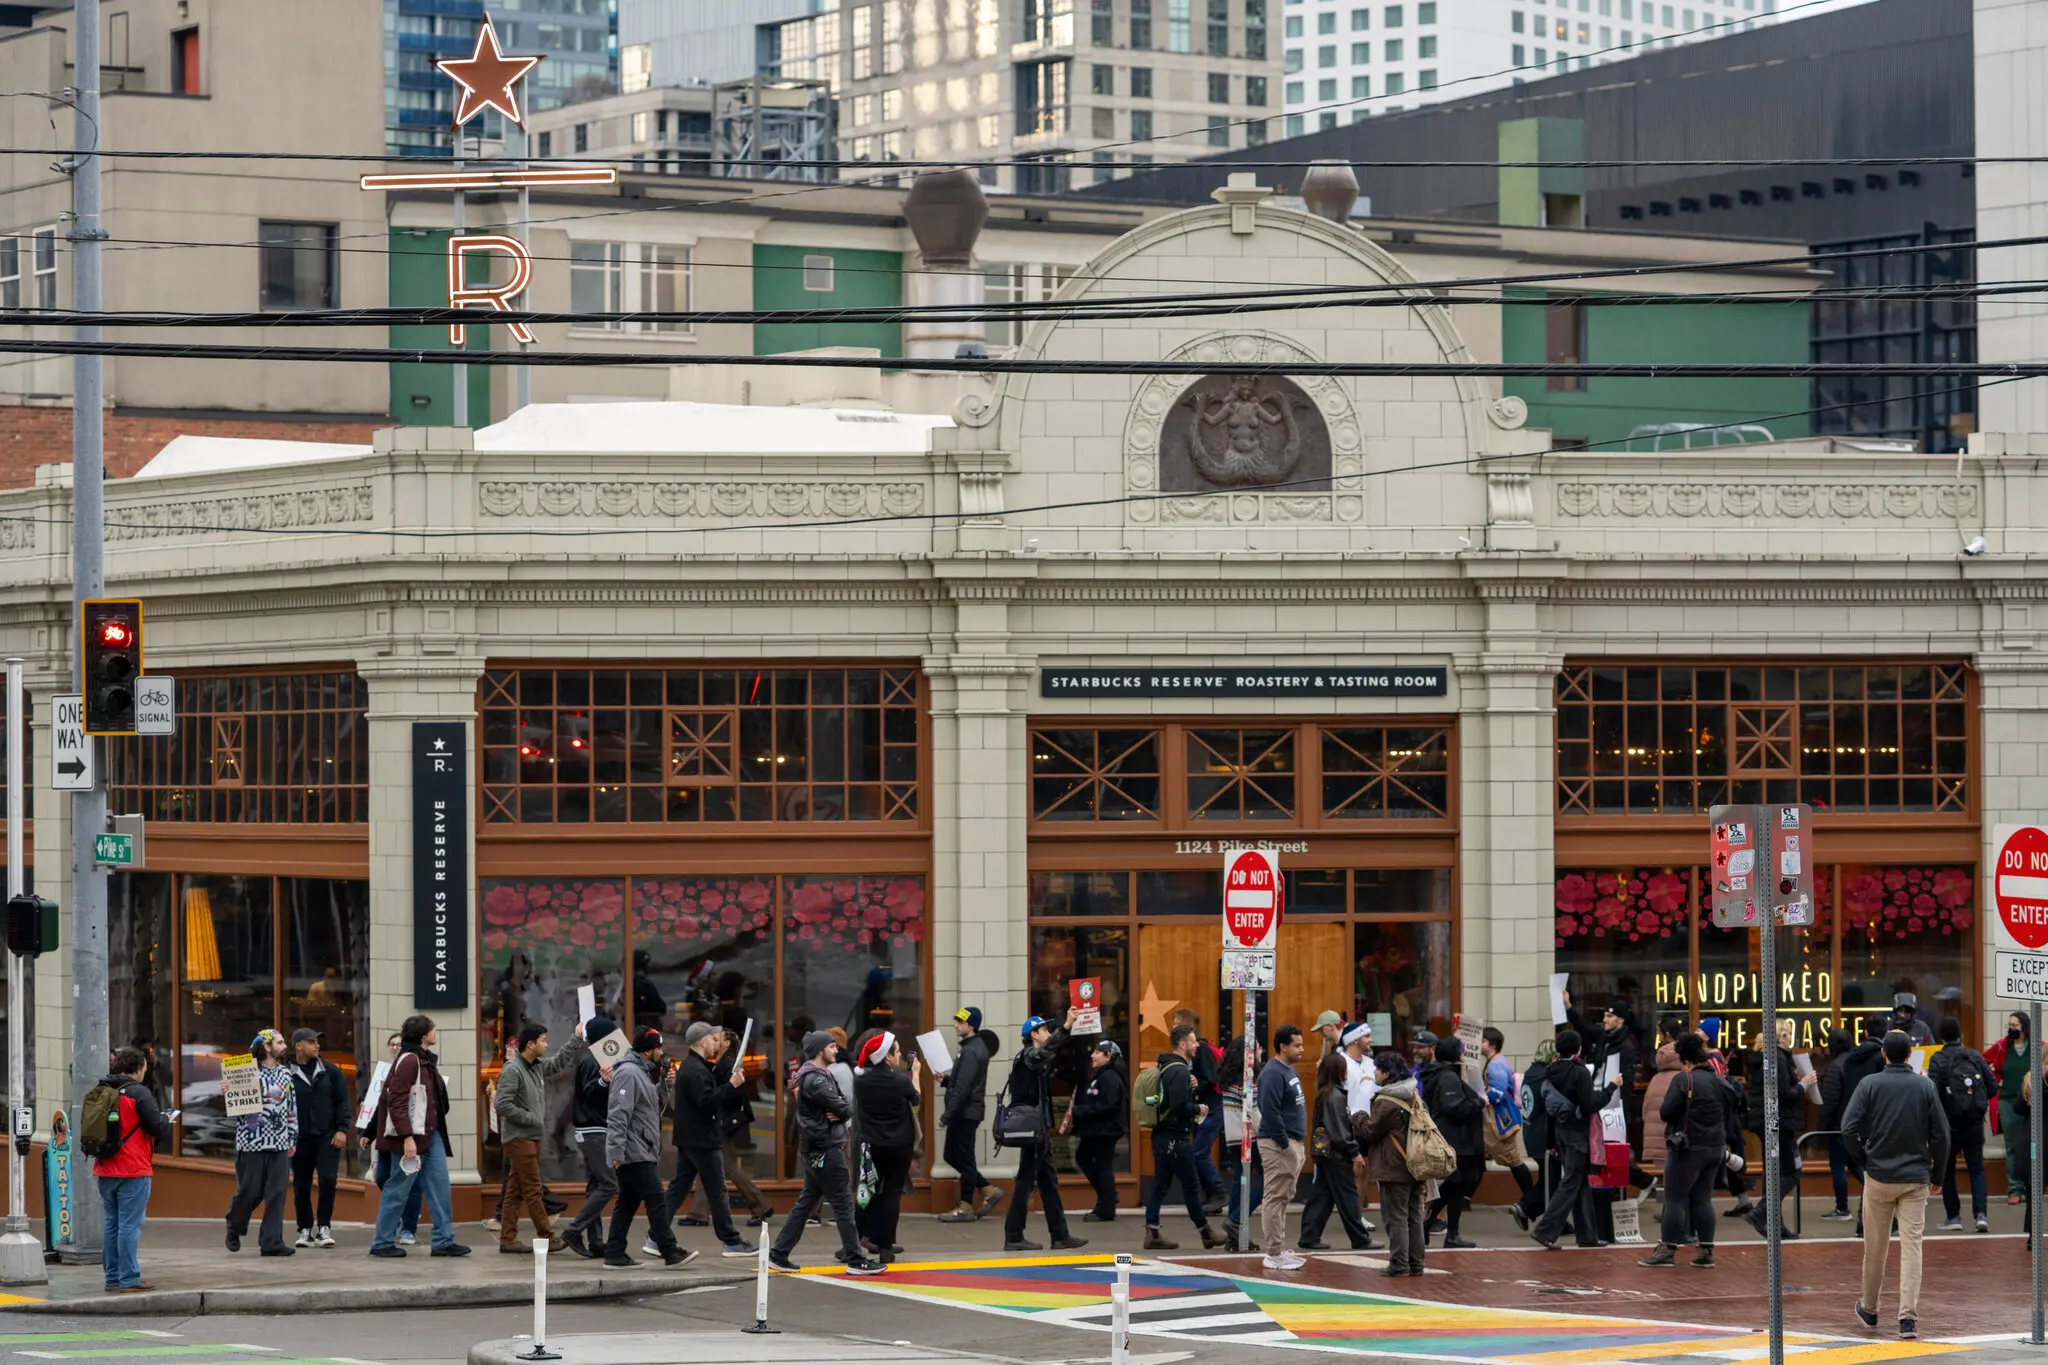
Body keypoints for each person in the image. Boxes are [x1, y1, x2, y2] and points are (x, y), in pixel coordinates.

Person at [1843, 1031, 1950, 1342]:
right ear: (1909, 1055)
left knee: (1875, 1247)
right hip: (1916, 1177)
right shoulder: (1925, 1086)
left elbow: (1849, 1128)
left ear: (1884, 1055)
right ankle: (1907, 1318)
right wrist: (1938, 1175)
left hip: (1878, 1175)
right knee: (1912, 1245)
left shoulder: (1869, 1085)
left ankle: (1870, 1308)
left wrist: (1864, 1159)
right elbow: (1941, 1134)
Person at [769, 1031, 884, 1274]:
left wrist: (840, 1109)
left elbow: (841, 1104)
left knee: (807, 1201)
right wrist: (840, 1111)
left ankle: (778, 1253)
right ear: (820, 1050)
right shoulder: (817, 1080)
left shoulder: (815, 1075)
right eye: (831, 1047)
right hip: (825, 1148)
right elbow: (845, 1107)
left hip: (816, 1148)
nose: (836, 1050)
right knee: (843, 1202)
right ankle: (855, 1259)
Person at [369, 1014, 470, 1260]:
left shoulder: (421, 1059)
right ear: (424, 1035)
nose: (435, 1033)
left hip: (429, 1135)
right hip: (412, 1139)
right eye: (433, 1029)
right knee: (398, 1188)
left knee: (439, 1187)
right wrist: (407, 1137)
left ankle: (444, 1241)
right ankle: (382, 1242)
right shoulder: (410, 1060)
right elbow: (396, 1101)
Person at [601, 1026, 695, 1269]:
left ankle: (614, 1253)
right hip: (634, 1151)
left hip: (640, 1148)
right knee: (657, 1200)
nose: (661, 1052)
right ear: (648, 1050)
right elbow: (618, 1115)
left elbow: (655, 1105)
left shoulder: (641, 1073)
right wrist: (616, 1153)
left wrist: (665, 1082)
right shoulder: (629, 1074)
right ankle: (670, 1251)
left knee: (628, 1203)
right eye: (659, 1047)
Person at [664, 1021, 756, 1258]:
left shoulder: (695, 1066)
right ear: (703, 1041)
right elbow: (706, 1102)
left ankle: (656, 1235)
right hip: (702, 1139)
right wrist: (731, 1085)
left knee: (678, 1188)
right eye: (714, 1040)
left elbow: (708, 1096)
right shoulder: (694, 1069)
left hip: (691, 1137)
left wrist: (730, 1085)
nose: (717, 1044)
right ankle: (731, 1241)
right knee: (717, 1191)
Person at [493, 1020, 586, 1254]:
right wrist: (531, 1118)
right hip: (519, 1137)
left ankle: (508, 1239)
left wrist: (575, 1038)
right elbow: (502, 1104)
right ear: (531, 1044)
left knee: (514, 1190)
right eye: (543, 1041)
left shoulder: (535, 1066)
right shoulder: (513, 1069)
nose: (546, 1044)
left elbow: (556, 1063)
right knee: (533, 1189)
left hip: (531, 1136)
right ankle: (547, 1235)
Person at [1639, 1031, 1728, 1268]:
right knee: (1703, 1199)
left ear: (1685, 1061)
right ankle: (1706, 1251)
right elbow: (1735, 1104)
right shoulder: (1719, 1080)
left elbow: (1666, 1112)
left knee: (1675, 1199)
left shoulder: (1683, 1079)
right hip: (1715, 1147)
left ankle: (1667, 1249)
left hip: (1687, 1148)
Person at [1002, 1010, 1089, 1253]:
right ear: (1033, 1035)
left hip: (1038, 1130)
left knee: (1048, 1182)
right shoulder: (1030, 1054)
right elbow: (1044, 1051)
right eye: (1044, 1030)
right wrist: (1067, 1026)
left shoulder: (1030, 1058)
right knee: (1024, 1181)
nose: (1048, 1034)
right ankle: (1014, 1235)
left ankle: (1059, 1235)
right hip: (1034, 1131)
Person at [675, 1026, 775, 1230]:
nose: (713, 1041)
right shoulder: (719, 1064)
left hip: (722, 1123)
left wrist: (729, 1088)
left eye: (717, 1038)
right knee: (709, 1166)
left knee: (725, 1166)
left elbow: (728, 1095)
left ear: (726, 1044)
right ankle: (700, 1212)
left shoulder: (727, 1065)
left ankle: (760, 1205)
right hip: (718, 1122)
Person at [94, 1045, 173, 1293]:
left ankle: (112, 1278)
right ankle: (129, 1279)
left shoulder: (102, 1089)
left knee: (111, 1223)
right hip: (132, 1168)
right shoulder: (139, 1093)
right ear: (139, 1068)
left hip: (105, 1167)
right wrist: (167, 1119)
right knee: (129, 1225)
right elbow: (157, 1127)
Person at [1143, 1023, 1227, 1250]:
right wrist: (1198, 1109)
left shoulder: (1168, 1067)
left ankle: (1152, 1233)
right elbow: (1179, 1105)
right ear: (1183, 1044)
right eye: (1192, 1042)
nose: (1196, 1046)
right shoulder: (1179, 1070)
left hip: (1163, 1136)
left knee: (1160, 1185)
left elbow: (1169, 1098)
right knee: (1190, 1186)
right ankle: (1205, 1232)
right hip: (1175, 1138)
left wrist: (1191, 1088)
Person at [1530, 1029, 1614, 1251]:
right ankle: (1545, 1230)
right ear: (1577, 1048)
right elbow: (1590, 1105)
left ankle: (1587, 1235)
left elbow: (1549, 1111)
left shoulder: (1550, 1071)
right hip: (1578, 1134)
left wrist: (1550, 1142)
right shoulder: (1579, 1072)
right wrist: (1612, 1088)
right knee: (1571, 1183)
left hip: (1560, 1133)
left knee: (1579, 1183)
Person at [226, 1029, 298, 1257]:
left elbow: (291, 1108)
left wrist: (292, 1136)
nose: (284, 1046)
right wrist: (228, 1094)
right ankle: (234, 1225)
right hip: (251, 1143)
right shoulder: (245, 1072)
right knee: (250, 1191)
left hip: (279, 1144)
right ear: (267, 1047)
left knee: (277, 1193)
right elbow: (237, 1112)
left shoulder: (286, 1074)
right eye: (280, 1042)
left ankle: (272, 1242)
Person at [854, 1031, 920, 1262]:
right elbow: (916, 1099)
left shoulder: (861, 1080)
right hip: (900, 1144)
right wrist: (916, 1074)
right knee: (892, 1193)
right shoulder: (901, 1079)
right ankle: (886, 1247)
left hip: (872, 1143)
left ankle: (853, 1242)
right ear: (887, 1056)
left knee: (866, 1192)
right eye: (897, 1050)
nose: (900, 1053)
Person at [1298, 1048, 1372, 1251]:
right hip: (1337, 1155)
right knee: (1347, 1195)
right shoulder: (1335, 1096)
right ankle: (1360, 1238)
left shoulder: (1326, 1093)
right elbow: (1339, 1130)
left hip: (1326, 1153)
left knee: (1322, 1195)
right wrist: (1354, 1151)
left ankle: (1309, 1235)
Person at [1360, 1051, 1424, 1277]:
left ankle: (1399, 1263)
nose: (1374, 1073)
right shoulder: (1412, 1093)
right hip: (1415, 1163)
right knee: (1414, 1217)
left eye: (1377, 1069)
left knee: (1396, 1217)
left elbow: (1370, 1131)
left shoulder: (1386, 1101)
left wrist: (1357, 1117)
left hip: (1394, 1167)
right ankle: (1416, 1263)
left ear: (1386, 1074)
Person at [559, 1015, 618, 1258]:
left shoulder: (595, 1059)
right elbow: (589, 1091)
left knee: (596, 1185)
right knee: (609, 1184)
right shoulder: (594, 1061)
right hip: (593, 1130)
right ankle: (574, 1230)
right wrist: (604, 1083)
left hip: (591, 1129)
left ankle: (595, 1241)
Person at [937, 1006, 1003, 1224]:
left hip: (965, 1113)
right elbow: (963, 1082)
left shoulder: (971, 1050)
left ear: (971, 1025)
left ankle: (979, 1195)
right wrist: (946, 1080)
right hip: (968, 1111)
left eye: (960, 1022)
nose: (956, 1024)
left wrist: (947, 1116)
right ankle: (976, 1197)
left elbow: (964, 1089)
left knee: (956, 1156)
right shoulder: (972, 1047)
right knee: (963, 1157)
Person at [1926, 1015, 1992, 1232]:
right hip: (1973, 1124)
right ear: (1959, 1034)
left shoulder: (1938, 1059)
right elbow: (1991, 1088)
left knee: (1947, 1170)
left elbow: (1933, 1093)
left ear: (1941, 1036)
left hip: (1948, 1125)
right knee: (1977, 1169)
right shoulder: (1974, 1056)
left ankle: (1953, 1217)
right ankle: (1981, 1215)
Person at [286, 1028, 349, 1250]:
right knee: (301, 1183)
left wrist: (342, 1130)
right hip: (299, 1137)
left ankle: (324, 1227)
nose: (317, 1045)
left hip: (327, 1136)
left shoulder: (330, 1070)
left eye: (317, 1042)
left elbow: (342, 1101)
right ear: (299, 1046)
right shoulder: (286, 1072)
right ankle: (305, 1229)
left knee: (328, 1179)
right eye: (311, 1042)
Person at [1420, 1037, 1484, 1249]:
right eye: (1461, 1049)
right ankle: (1440, 1227)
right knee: (1458, 1182)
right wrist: (1479, 1102)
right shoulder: (1447, 1077)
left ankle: (1441, 1227)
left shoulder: (1440, 1074)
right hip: (1456, 1139)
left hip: (1455, 1138)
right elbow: (1454, 1107)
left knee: (1458, 1183)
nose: (1464, 1052)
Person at [359, 1032, 422, 1246]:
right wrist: (369, 1132)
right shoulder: (386, 1071)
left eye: (399, 1044)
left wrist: (409, 1135)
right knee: (383, 1178)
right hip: (386, 1137)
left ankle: (408, 1227)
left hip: (404, 1137)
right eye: (392, 1044)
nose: (395, 1047)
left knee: (409, 1185)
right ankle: (392, 1221)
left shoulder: (411, 1067)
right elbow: (382, 1107)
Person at [1254, 1023, 1308, 1272]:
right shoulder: (1273, 1072)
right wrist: (1285, 1143)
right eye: (1297, 1045)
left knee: (1283, 1197)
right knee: (1275, 1197)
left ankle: (1278, 1249)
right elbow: (1270, 1111)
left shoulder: (1286, 1070)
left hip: (1290, 1142)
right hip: (1278, 1144)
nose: (1302, 1049)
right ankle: (1273, 1253)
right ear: (1283, 1046)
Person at [1066, 1040, 1127, 1222]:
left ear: (1108, 1057)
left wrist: (1081, 1111)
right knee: (1083, 1158)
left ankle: (1106, 1208)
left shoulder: (1110, 1077)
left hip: (1106, 1130)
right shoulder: (1100, 1076)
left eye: (1097, 1053)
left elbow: (1107, 1105)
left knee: (1102, 1167)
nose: (1092, 1055)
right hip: (1095, 1129)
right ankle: (1108, 1195)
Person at [1173, 1009, 1226, 1210]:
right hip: (1200, 1109)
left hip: (1211, 1108)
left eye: (1176, 1022)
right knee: (1197, 1152)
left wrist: (1194, 1083)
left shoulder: (1201, 1050)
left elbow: (1210, 1078)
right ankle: (1212, 1196)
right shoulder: (1186, 1053)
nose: (1173, 1026)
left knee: (1198, 1153)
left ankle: (1218, 1192)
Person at [1480, 1027, 1536, 1209]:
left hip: (1500, 1121)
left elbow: (1498, 1093)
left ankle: (1532, 1200)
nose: (1479, 1044)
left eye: (1483, 1041)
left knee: (1514, 1160)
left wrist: (1482, 1095)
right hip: (1496, 1120)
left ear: (1492, 1045)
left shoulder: (1495, 1065)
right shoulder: (1496, 1062)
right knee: (1475, 1159)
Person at [1219, 1033, 1264, 1248]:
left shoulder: (1229, 1079)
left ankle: (1233, 1236)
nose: (1260, 1052)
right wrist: (1267, 1133)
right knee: (1270, 1180)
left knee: (1239, 1181)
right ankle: (1237, 1219)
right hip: (1249, 1138)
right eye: (1257, 1048)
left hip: (1233, 1138)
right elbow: (1253, 1113)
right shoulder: (1247, 1080)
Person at [1511, 1039, 1559, 1233]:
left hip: (1532, 1133)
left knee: (1549, 1178)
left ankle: (1556, 1220)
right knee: (1553, 1181)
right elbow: (1550, 1108)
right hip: (1545, 1136)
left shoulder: (1531, 1074)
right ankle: (1525, 1207)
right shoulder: (1545, 1077)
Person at [1818, 1027, 1865, 1221]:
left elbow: (1830, 1100)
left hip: (1838, 1124)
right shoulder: (1857, 1063)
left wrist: (1822, 1126)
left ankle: (1842, 1208)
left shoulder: (1835, 1067)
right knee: (1855, 1164)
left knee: (1838, 1165)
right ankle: (1876, 1193)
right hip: (1858, 1123)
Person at [1986, 1012, 2032, 1206]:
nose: (2012, 1029)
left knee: (2034, 1145)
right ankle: (2015, 1188)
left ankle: (2033, 1185)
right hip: (2008, 1102)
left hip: (2032, 1103)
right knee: (2012, 1146)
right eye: (2009, 1025)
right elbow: (1983, 1060)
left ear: (2025, 1027)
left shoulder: (2039, 1047)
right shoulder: (2002, 1047)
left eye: (2015, 1025)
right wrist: (1993, 1077)